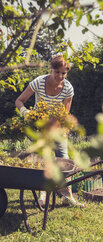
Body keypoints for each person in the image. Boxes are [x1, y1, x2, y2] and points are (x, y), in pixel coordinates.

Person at [15, 54, 85, 207]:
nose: (60, 76)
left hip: (58, 129)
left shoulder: (68, 88)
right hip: (41, 129)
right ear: (51, 69)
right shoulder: (39, 82)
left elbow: (65, 114)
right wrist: (26, 113)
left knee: (64, 161)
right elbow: (19, 101)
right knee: (44, 161)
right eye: (57, 72)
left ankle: (67, 196)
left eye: (64, 73)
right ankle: (42, 195)